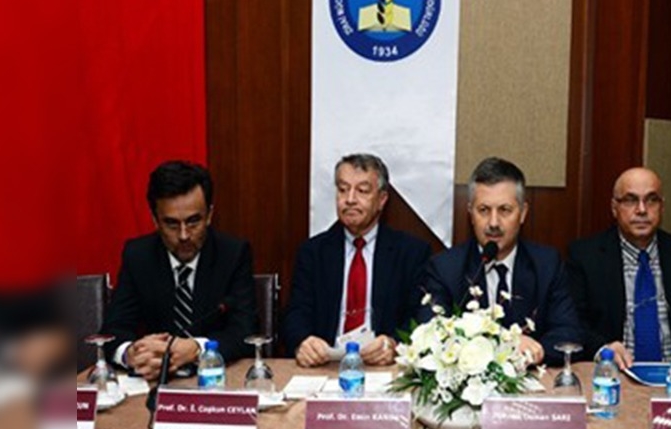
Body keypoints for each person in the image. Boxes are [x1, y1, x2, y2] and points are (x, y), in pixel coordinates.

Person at [568, 167, 671, 371]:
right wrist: (602, 349)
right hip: (615, 373)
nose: (641, 210)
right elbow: (573, 321)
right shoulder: (585, 257)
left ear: (662, 207)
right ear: (614, 208)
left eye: (651, 200)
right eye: (630, 200)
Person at [100, 161, 257, 380]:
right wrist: (131, 354)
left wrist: (196, 348)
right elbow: (113, 330)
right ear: (155, 220)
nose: (184, 235)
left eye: (193, 222)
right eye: (172, 224)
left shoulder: (232, 254)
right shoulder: (138, 256)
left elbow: (245, 332)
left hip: (215, 379)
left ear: (209, 215)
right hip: (155, 380)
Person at [420, 157, 581, 366]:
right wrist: (505, 345)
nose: (493, 223)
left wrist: (537, 350)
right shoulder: (445, 268)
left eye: (504, 210)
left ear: (523, 213)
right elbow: (430, 335)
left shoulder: (547, 264)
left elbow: (568, 332)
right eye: (483, 210)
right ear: (470, 214)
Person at [284, 154, 431, 367]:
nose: (350, 199)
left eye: (362, 190)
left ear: (382, 199)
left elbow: (419, 318)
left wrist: (395, 344)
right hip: (326, 365)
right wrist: (302, 342)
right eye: (343, 189)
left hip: (381, 365)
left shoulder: (411, 253)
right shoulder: (313, 252)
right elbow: (296, 313)